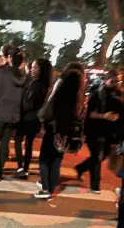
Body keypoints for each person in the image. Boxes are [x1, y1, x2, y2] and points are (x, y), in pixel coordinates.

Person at [35, 63, 86, 198]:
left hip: (54, 127)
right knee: (57, 160)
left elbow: (47, 110)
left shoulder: (59, 94)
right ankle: (50, 189)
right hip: (68, 131)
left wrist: (42, 119)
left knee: (44, 159)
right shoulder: (80, 97)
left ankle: (45, 189)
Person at [75, 70, 122, 193]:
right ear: (106, 81)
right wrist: (104, 116)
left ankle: (81, 167)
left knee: (103, 155)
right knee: (96, 156)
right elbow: (89, 114)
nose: (115, 83)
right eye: (112, 81)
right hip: (94, 130)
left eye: (117, 81)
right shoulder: (97, 95)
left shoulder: (118, 95)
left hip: (109, 132)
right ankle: (95, 186)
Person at [0, 46, 25, 182]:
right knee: (4, 143)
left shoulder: (2, 72)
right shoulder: (23, 75)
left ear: (9, 58)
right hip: (14, 115)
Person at [14, 58, 52, 179]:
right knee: (29, 144)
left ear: (41, 70)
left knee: (18, 140)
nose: (32, 70)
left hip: (27, 117)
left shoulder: (35, 84)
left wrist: (20, 105)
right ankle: (25, 169)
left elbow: (28, 103)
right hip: (35, 119)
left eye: (35, 67)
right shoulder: (46, 85)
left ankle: (20, 168)